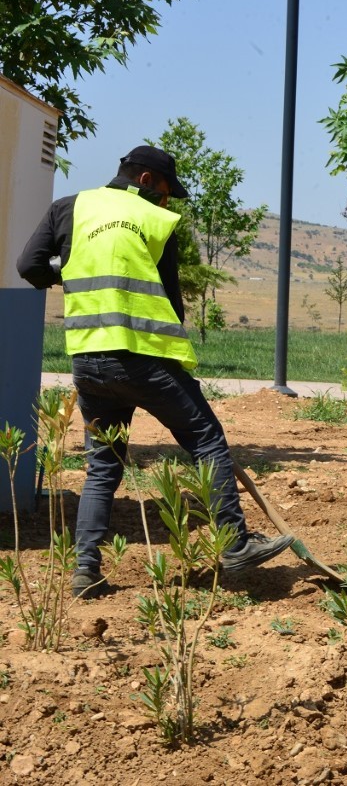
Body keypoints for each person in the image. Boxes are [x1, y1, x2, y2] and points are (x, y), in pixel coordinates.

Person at [17, 145, 295, 598]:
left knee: (102, 467)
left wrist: (70, 266)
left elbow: (29, 266)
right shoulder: (155, 221)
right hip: (145, 358)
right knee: (206, 440)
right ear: (147, 181)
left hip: (89, 360)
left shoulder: (69, 208)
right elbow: (171, 303)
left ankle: (86, 571)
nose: (167, 203)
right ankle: (236, 545)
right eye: (166, 193)